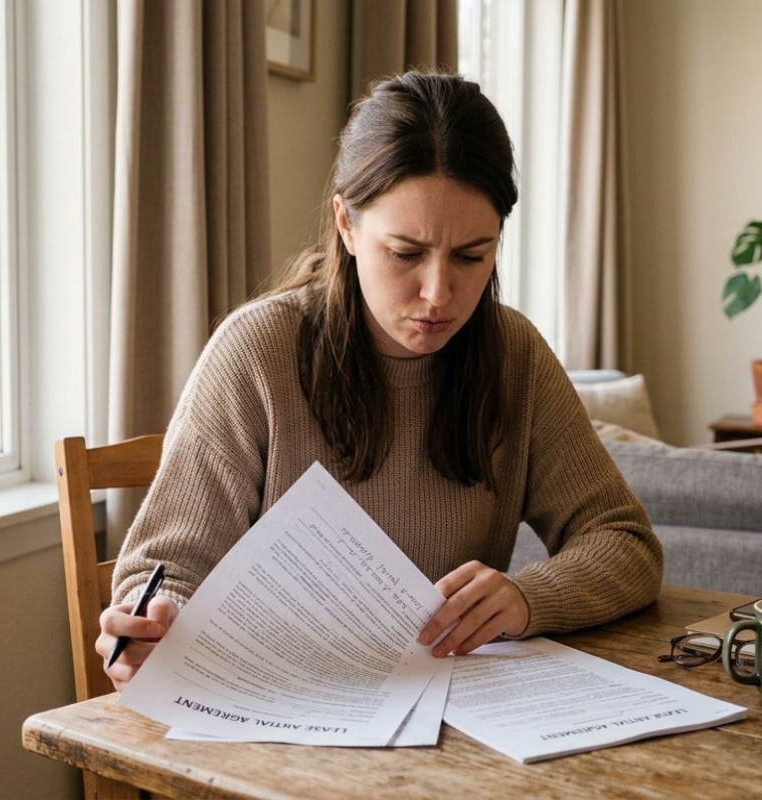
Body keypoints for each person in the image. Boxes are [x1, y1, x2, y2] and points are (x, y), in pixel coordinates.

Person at [97, 71, 662, 691]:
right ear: (346, 223)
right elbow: (164, 570)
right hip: (278, 718)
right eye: (405, 253)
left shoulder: (514, 357)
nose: (438, 293)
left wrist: (528, 598)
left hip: (453, 722)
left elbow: (625, 542)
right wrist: (152, 623)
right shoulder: (258, 352)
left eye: (473, 256)